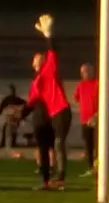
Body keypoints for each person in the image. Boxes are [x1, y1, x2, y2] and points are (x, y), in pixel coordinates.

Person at [21, 14, 72, 190]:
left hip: (61, 110)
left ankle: (61, 177)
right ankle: (46, 179)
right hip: (50, 115)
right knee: (44, 145)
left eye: (40, 57)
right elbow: (32, 101)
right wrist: (20, 113)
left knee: (58, 143)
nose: (37, 58)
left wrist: (48, 36)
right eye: (35, 58)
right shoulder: (35, 82)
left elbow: (52, 51)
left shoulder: (49, 70)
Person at [74, 63, 98, 177]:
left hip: (96, 119)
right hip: (84, 120)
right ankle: (91, 167)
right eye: (83, 72)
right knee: (88, 144)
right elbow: (77, 98)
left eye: (87, 71)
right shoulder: (80, 85)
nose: (85, 74)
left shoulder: (97, 84)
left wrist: (96, 115)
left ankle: (98, 167)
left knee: (97, 144)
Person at [0, 84, 25, 150]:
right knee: (13, 129)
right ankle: (12, 143)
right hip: (15, 116)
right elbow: (26, 105)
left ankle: (5, 143)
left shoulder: (7, 99)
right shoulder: (17, 99)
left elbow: (1, 108)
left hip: (10, 116)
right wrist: (23, 115)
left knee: (7, 128)